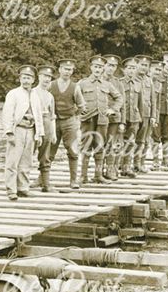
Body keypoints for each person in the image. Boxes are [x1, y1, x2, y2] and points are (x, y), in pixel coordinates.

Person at [2, 65, 45, 200]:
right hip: (18, 130)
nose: (26, 80)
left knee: (26, 162)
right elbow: (7, 114)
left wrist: (40, 134)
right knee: (13, 161)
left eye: (29, 78)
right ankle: (11, 189)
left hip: (31, 130)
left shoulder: (35, 95)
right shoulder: (13, 94)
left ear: (33, 80)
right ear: (19, 78)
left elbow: (38, 115)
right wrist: (9, 132)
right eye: (24, 77)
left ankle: (23, 188)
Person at [47, 58, 85, 189]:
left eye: (70, 69)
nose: (67, 72)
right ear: (59, 70)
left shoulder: (75, 87)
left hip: (69, 122)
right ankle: (42, 179)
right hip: (54, 122)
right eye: (65, 69)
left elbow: (81, 106)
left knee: (73, 150)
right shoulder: (51, 85)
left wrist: (73, 115)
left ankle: (73, 180)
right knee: (49, 151)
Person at [78, 56, 113, 184]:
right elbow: (74, 97)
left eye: (100, 67)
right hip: (87, 120)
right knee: (86, 146)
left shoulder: (107, 84)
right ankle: (83, 176)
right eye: (95, 67)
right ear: (91, 67)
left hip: (102, 120)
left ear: (103, 69)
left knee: (100, 147)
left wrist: (112, 109)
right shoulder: (82, 83)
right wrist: (79, 108)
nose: (98, 69)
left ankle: (98, 175)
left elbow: (119, 98)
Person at [101, 55, 125, 180]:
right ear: (104, 66)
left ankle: (110, 169)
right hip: (99, 118)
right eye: (109, 65)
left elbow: (123, 103)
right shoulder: (98, 79)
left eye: (114, 66)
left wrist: (123, 122)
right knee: (98, 143)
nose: (111, 68)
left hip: (114, 119)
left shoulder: (118, 83)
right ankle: (98, 170)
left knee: (111, 144)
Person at [35, 65, 58, 192]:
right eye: (44, 76)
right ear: (39, 77)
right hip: (34, 125)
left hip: (47, 124)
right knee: (26, 156)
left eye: (49, 77)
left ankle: (45, 185)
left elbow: (52, 116)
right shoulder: (32, 92)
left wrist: (53, 133)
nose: (47, 79)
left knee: (45, 156)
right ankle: (21, 185)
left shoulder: (50, 96)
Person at [119, 58, 142, 175]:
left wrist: (140, 117)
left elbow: (140, 102)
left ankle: (126, 167)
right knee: (118, 142)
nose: (131, 71)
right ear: (124, 70)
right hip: (122, 117)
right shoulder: (120, 83)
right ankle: (115, 166)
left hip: (134, 117)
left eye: (133, 68)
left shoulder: (138, 83)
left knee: (130, 142)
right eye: (129, 68)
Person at [135, 56, 156, 172]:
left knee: (144, 141)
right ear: (137, 65)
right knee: (131, 140)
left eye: (146, 66)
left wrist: (153, 116)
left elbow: (153, 100)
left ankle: (140, 163)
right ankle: (127, 164)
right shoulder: (132, 79)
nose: (143, 68)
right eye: (142, 65)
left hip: (147, 115)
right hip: (134, 114)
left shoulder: (149, 80)